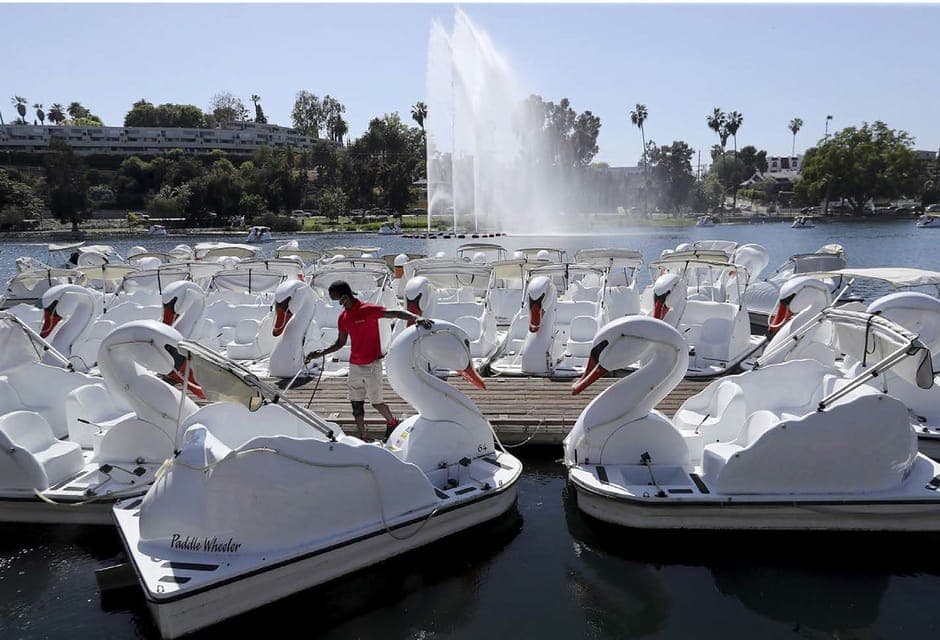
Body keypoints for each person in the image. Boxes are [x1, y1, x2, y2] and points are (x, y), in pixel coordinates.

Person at [305, 280, 433, 441]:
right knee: (356, 404)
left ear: (345, 297)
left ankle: (392, 423)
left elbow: (395, 313)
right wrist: (319, 354)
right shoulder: (343, 317)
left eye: (338, 300)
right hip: (354, 367)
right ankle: (362, 435)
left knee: (376, 402)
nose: (339, 304)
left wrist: (416, 317)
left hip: (372, 366)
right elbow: (340, 343)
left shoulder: (369, 309)